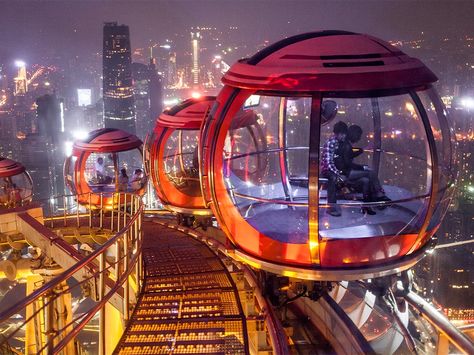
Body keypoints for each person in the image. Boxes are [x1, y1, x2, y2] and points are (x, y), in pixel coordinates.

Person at [335, 125, 391, 215]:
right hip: (346, 173)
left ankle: (367, 206)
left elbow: (349, 155)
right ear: (355, 135)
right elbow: (347, 163)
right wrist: (363, 167)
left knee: (366, 181)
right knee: (371, 172)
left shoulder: (346, 144)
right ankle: (380, 195)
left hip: (345, 171)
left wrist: (362, 150)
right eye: (359, 135)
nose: (359, 138)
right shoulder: (346, 145)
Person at [320, 118, 348, 217]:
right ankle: (331, 207)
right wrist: (338, 173)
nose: (344, 136)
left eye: (345, 134)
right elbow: (328, 163)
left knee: (338, 177)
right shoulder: (330, 143)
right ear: (337, 134)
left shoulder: (339, 143)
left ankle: (334, 204)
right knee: (332, 178)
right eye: (342, 134)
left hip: (333, 168)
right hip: (326, 170)